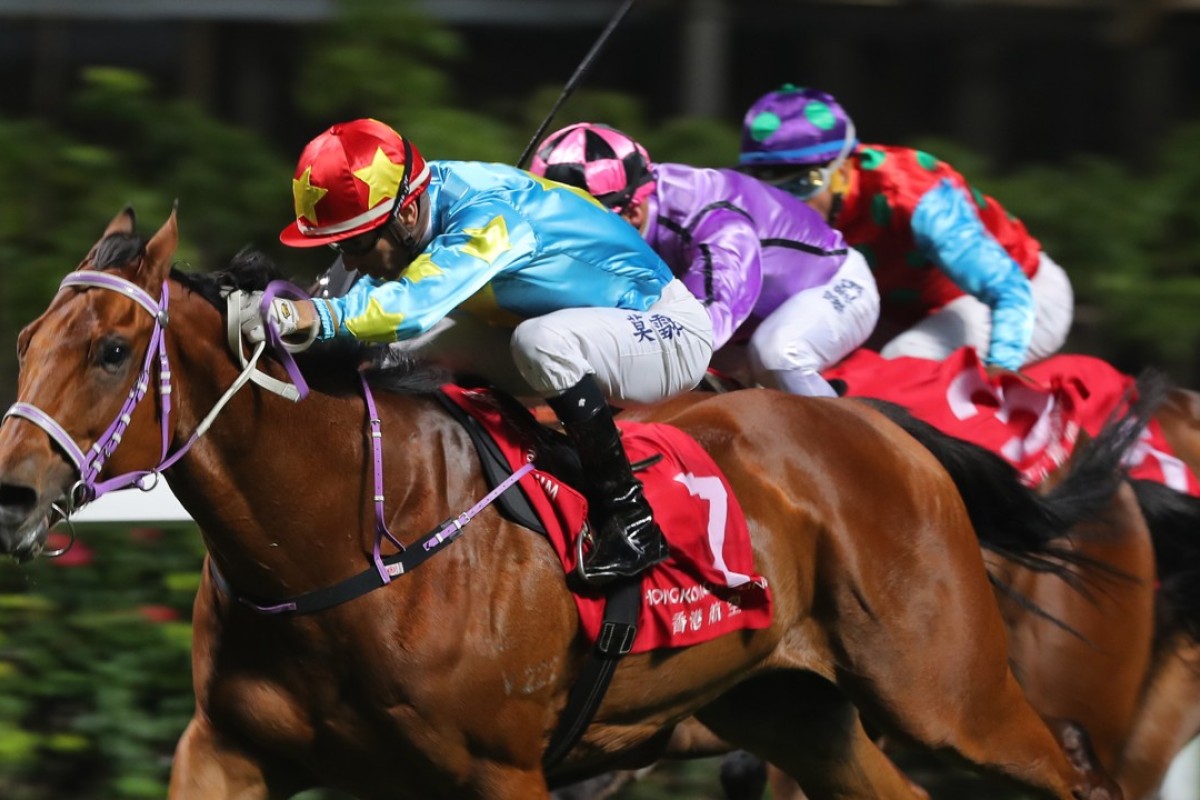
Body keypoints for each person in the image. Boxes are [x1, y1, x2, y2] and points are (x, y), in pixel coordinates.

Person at [240, 118, 714, 585]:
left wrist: (317, 318)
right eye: (338, 244)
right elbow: (352, 301)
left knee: (540, 343)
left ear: (405, 215)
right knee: (397, 346)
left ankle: (630, 519)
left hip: (666, 332)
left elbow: (412, 306)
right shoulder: (412, 202)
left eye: (357, 243)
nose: (348, 260)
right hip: (551, 331)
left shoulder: (491, 215)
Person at [528, 122, 879, 398]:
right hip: (743, 310)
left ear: (634, 211)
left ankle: (857, 463)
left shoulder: (715, 226)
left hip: (833, 285)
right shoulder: (626, 200)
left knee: (777, 355)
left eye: (583, 231)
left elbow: (697, 336)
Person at [737, 84, 1074, 372]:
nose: (788, 205)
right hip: (899, 311)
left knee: (905, 360)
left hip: (1021, 297)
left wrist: (1001, 366)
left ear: (843, 165)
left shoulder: (913, 195)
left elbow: (1008, 291)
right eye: (771, 188)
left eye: (804, 183)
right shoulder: (749, 205)